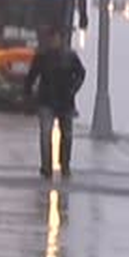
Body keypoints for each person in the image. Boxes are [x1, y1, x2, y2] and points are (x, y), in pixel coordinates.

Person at [24, 25, 86, 179]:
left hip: (64, 101)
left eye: (56, 38)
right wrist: (28, 93)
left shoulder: (70, 56)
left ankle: (64, 165)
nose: (54, 42)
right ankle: (47, 168)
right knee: (46, 134)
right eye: (52, 38)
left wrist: (73, 89)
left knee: (66, 135)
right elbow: (32, 76)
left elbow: (80, 73)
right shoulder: (42, 56)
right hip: (48, 100)